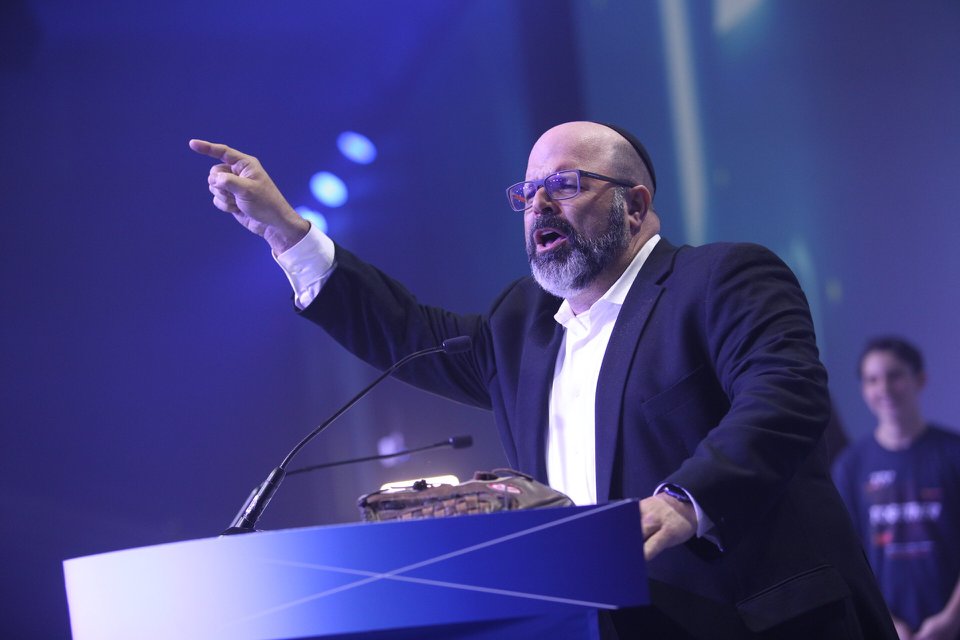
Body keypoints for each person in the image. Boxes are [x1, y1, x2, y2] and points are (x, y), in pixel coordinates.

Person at [190, 121, 897, 639]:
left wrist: (685, 501)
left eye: (565, 185)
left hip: (753, 625)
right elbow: (405, 333)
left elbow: (783, 396)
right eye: (528, 193)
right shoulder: (520, 325)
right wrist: (287, 234)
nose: (539, 206)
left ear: (635, 205)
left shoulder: (721, 278)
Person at [833, 337, 960, 640]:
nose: (885, 388)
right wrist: (888, 622)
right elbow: (847, 556)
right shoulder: (850, 466)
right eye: (872, 380)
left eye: (895, 375)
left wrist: (950, 620)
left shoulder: (953, 454)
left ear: (920, 379)